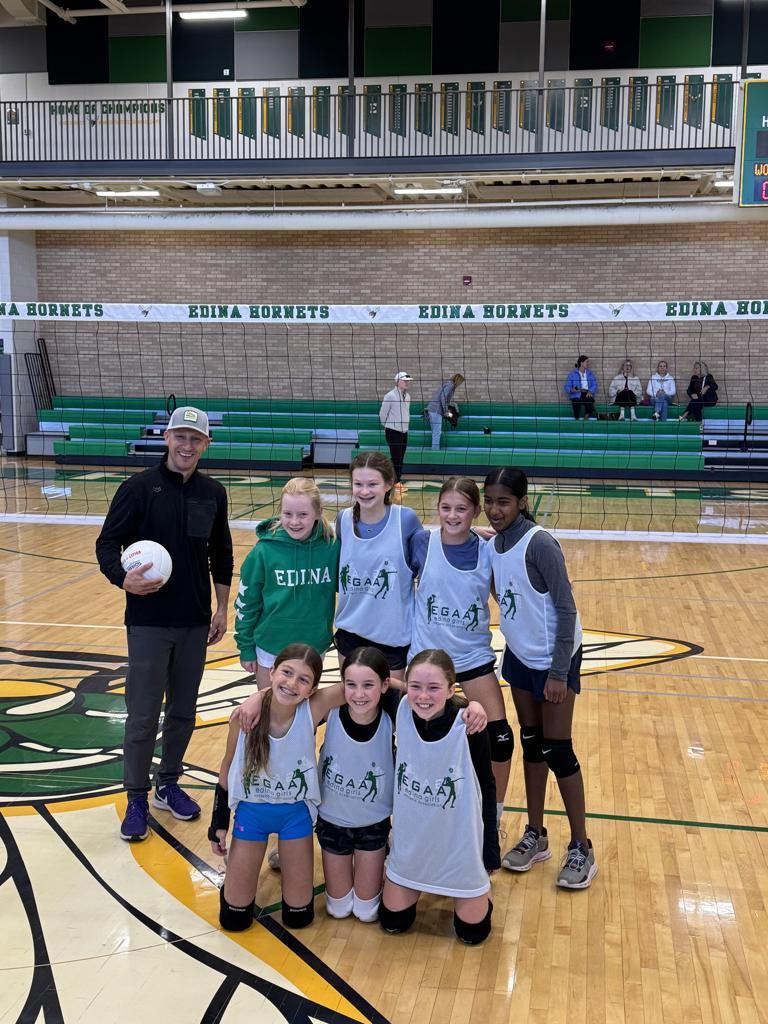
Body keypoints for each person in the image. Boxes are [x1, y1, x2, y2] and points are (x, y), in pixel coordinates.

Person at [96, 405, 233, 842]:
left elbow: (222, 553)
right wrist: (123, 579)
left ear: (206, 444)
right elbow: (107, 544)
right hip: (149, 622)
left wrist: (221, 609)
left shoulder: (213, 493)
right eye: (181, 436)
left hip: (194, 621)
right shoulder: (138, 489)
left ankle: (167, 784)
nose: (187, 445)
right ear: (167, 437)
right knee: (142, 715)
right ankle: (136, 797)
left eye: (196, 438)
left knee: (183, 712)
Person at [484, 467, 597, 889]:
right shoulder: (495, 544)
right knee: (531, 744)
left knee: (558, 750)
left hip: (554, 660)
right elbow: (505, 593)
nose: (494, 510)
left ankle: (582, 846)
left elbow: (567, 610)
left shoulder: (541, 544)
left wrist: (558, 672)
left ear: (522, 502)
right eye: (489, 501)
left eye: (503, 502)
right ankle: (536, 834)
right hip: (519, 656)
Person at [210, 643, 345, 932]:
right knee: (234, 920)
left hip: (294, 816)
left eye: (303, 679)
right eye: (287, 672)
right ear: (271, 672)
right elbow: (227, 766)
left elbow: (362, 684)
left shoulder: (312, 709)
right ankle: (239, 875)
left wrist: (408, 686)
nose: (292, 683)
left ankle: (281, 858)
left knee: (299, 918)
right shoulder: (244, 717)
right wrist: (218, 823)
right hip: (252, 814)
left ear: (312, 689)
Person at [410, 477, 512, 827]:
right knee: (423, 742)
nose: (452, 515)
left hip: (471, 658)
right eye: (446, 508)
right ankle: (418, 813)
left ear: (476, 511)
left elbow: (506, 596)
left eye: (461, 509)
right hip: (427, 662)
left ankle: (492, 818)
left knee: (500, 739)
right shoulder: (421, 543)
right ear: (437, 508)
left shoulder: (489, 550)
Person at [379, 649, 499, 945]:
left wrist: (490, 850)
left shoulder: (469, 726)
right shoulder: (400, 706)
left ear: (450, 689)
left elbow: (487, 786)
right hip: (413, 848)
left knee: (472, 934)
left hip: (459, 848)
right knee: (393, 923)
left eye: (434, 688)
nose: (423, 696)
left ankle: (481, 889)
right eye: (415, 686)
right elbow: (367, 681)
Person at [234, 477, 340, 692]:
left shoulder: (331, 547)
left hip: (314, 646)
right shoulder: (264, 551)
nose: (294, 521)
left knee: (305, 710)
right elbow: (247, 602)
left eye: (303, 514)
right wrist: (246, 647)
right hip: (271, 646)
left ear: (318, 512)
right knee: (269, 707)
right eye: (287, 514)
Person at [315, 646, 394, 923]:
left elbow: (444, 704)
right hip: (332, 822)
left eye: (368, 685)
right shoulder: (330, 712)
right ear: (342, 685)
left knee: (366, 912)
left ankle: (384, 858)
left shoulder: (394, 718)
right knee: (338, 910)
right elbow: (284, 702)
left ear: (385, 685)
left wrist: (476, 706)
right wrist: (256, 700)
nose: (359, 694)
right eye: (351, 685)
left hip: (373, 824)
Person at [335, 451, 421, 684]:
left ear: (389, 484)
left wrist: (469, 533)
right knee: (352, 700)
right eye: (358, 484)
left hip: (391, 637)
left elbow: (429, 557)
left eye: (372, 484)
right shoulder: (343, 519)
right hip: (350, 632)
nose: (364, 491)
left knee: (390, 703)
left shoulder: (405, 520)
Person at [379, 372, 412, 496]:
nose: (407, 383)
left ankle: (392, 478)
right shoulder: (390, 396)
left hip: (404, 431)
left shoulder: (407, 396)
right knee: (396, 457)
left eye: (408, 381)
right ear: (397, 381)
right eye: (405, 381)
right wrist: (387, 425)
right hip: (392, 431)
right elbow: (383, 413)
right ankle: (396, 482)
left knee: (400, 457)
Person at [426, 373, 465, 451]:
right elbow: (443, 397)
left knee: (435, 432)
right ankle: (435, 451)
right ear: (458, 380)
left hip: (432, 410)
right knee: (437, 432)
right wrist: (446, 411)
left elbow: (445, 398)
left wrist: (448, 408)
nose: (460, 384)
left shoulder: (448, 384)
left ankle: (434, 449)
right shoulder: (451, 385)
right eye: (460, 382)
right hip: (436, 411)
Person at [563, 355, 597, 421]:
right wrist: (571, 390)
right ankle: (577, 418)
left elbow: (594, 384)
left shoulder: (589, 373)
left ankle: (586, 417)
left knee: (590, 400)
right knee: (576, 401)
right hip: (577, 393)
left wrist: (590, 391)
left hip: (587, 392)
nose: (588, 363)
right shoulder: (573, 374)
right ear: (581, 363)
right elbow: (567, 386)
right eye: (587, 362)